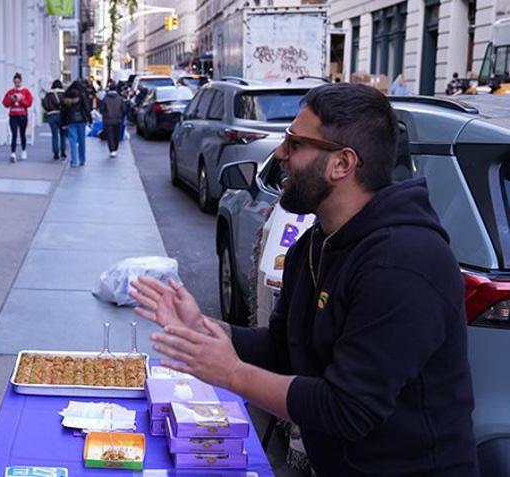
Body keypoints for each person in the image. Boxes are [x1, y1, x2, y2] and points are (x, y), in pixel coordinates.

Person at [130, 83, 477, 475]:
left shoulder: (403, 261)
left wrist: (232, 374)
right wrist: (208, 329)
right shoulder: (316, 241)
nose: (279, 153)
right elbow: (284, 347)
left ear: (342, 164)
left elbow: (348, 408)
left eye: (294, 143)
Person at [2, 72, 34, 162]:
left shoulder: (26, 91)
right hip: (13, 116)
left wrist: (21, 100)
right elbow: (5, 103)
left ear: (21, 82)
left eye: (18, 82)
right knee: (14, 134)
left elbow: (29, 103)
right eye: (15, 82)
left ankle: (24, 150)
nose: (17, 84)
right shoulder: (10, 92)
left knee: (22, 134)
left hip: (22, 116)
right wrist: (11, 100)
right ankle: (13, 152)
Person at [61, 80, 91, 167]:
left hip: (70, 120)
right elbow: (86, 108)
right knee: (82, 140)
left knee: (72, 141)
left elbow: (63, 111)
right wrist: (89, 119)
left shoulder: (66, 96)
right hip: (81, 120)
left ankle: (74, 161)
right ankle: (82, 160)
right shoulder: (82, 95)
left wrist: (63, 123)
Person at [42, 79, 67, 160]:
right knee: (63, 134)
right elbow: (66, 105)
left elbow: (45, 104)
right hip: (62, 115)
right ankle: (63, 151)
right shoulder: (64, 93)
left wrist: (48, 110)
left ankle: (55, 152)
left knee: (54, 135)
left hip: (51, 115)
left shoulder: (48, 94)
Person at [99, 83, 126, 157]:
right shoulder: (120, 98)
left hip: (108, 119)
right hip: (118, 119)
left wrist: (104, 115)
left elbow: (101, 109)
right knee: (116, 134)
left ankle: (112, 149)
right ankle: (115, 148)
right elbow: (124, 109)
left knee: (110, 135)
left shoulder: (105, 98)